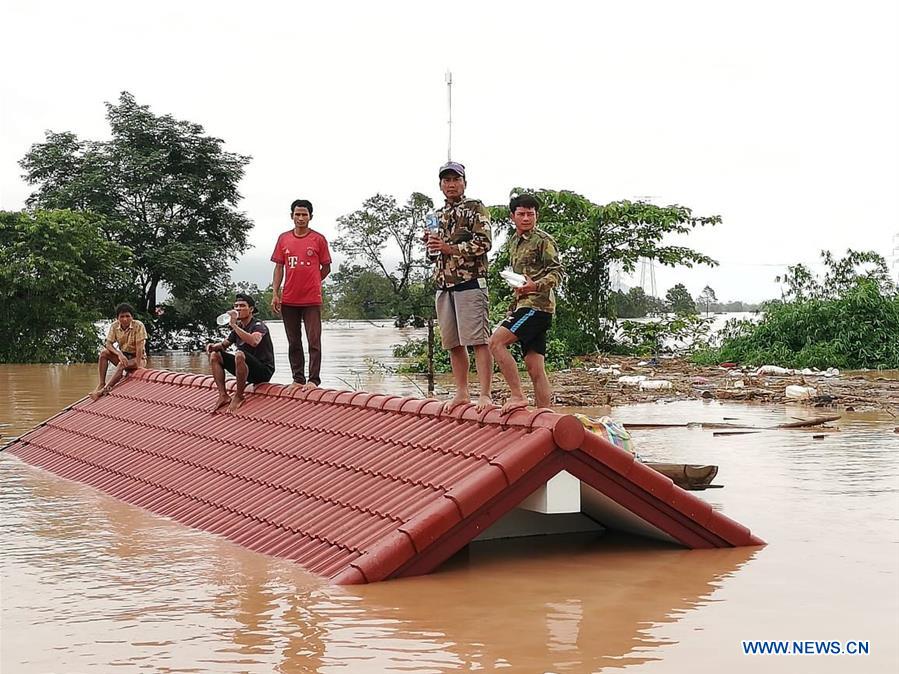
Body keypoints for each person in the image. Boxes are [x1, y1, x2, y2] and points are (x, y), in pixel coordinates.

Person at [426, 161, 494, 411]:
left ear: (464, 182)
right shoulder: (435, 215)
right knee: (453, 343)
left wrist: (449, 248)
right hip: (444, 285)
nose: (451, 184)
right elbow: (432, 255)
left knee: (478, 340)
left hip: (470, 282)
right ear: (440, 185)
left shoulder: (476, 208)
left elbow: (484, 244)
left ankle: (485, 394)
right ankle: (462, 392)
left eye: (456, 179)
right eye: (446, 180)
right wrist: (432, 246)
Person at [489, 194, 563, 412]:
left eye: (530, 214)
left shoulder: (543, 240)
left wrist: (535, 286)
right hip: (523, 305)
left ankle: (517, 396)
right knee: (534, 367)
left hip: (537, 307)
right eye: (521, 214)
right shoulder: (513, 243)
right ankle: (544, 415)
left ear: (536, 216)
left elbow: (557, 272)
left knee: (496, 343)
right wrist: (515, 301)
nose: (526, 218)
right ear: (513, 216)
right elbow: (520, 279)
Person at [271, 199, 332, 389]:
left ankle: (314, 380)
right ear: (292, 216)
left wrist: (313, 281)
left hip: (311, 299)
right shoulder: (284, 239)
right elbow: (279, 267)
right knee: (293, 341)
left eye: (304, 214)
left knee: (314, 340)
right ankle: (298, 378)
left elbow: (327, 267)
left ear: (310, 217)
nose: (300, 218)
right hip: (289, 298)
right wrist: (275, 293)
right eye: (297, 214)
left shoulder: (318, 239)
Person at [206, 293, 276, 412]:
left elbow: (254, 341)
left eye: (242, 306)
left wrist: (233, 325)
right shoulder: (239, 327)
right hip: (245, 367)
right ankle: (223, 395)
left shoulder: (258, 325)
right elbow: (224, 345)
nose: (238, 309)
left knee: (239, 354)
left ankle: (239, 396)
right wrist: (212, 347)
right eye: (236, 306)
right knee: (215, 356)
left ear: (251, 309)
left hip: (263, 370)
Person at [90, 303, 147, 400]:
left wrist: (138, 365)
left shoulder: (138, 326)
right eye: (122, 317)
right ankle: (101, 383)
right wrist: (119, 354)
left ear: (132, 317)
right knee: (104, 353)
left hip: (137, 358)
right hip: (124, 356)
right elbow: (108, 344)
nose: (125, 319)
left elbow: (139, 348)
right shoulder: (114, 326)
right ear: (117, 318)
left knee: (121, 365)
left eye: (127, 316)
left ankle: (104, 390)